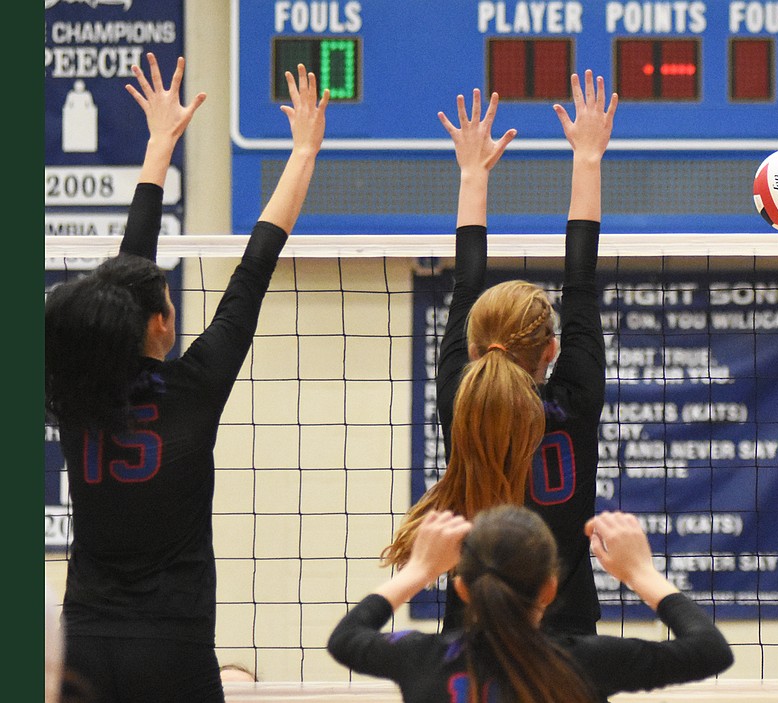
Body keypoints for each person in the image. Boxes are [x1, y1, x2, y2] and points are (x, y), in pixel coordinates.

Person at [44, 53, 328, 703]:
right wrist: (304, 153)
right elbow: (255, 265)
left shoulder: (77, 391)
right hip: (171, 649)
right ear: (164, 323)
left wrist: (160, 142)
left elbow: (128, 271)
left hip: (83, 642)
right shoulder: (193, 391)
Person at [382, 70, 616, 636]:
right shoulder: (576, 399)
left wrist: (472, 174)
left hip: (474, 633)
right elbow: (581, 281)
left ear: (472, 346)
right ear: (553, 350)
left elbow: (466, 285)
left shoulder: (462, 400)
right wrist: (588, 158)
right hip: (568, 637)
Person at [331, 506, 733, 702]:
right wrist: (641, 573)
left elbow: (346, 638)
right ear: (550, 589)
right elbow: (710, 650)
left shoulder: (421, 657)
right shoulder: (585, 662)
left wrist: (417, 570)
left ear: (462, 589)